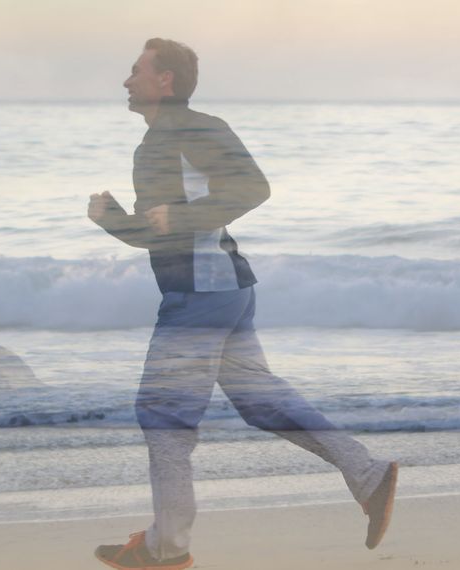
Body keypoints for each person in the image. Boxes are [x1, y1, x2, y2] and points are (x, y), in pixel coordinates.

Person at [87, 38, 398, 570]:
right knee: (263, 402)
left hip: (203, 293)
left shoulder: (198, 128)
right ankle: (367, 476)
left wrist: (179, 220)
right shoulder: (155, 144)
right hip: (218, 290)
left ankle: (167, 550)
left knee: (162, 414)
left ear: (165, 81)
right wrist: (113, 219)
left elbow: (254, 188)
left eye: (136, 71)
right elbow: (157, 233)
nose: (126, 81)